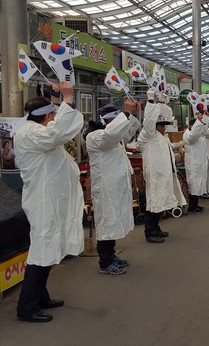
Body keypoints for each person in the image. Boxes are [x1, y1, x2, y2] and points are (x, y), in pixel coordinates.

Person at [14, 81, 83, 323]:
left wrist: (58, 98)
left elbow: (55, 132)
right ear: (48, 115)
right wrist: (67, 98)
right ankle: (27, 307)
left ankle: (40, 296)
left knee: (47, 247)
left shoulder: (36, 131)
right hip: (42, 200)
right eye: (53, 113)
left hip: (48, 198)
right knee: (42, 248)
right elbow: (57, 133)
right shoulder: (32, 133)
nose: (55, 117)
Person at [85, 100, 141, 275]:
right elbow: (111, 135)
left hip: (115, 187)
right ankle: (105, 262)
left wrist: (131, 115)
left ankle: (111, 255)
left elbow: (129, 131)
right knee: (107, 222)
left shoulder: (112, 137)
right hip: (106, 189)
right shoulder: (95, 137)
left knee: (114, 220)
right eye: (115, 121)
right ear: (107, 122)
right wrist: (125, 114)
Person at [137, 92, 186, 243]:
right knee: (153, 203)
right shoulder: (147, 135)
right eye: (161, 126)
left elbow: (171, 146)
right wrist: (151, 102)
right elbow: (148, 122)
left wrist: (162, 103)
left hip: (164, 174)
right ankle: (149, 232)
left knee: (161, 202)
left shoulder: (161, 137)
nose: (164, 129)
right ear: (154, 126)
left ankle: (156, 229)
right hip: (155, 175)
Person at [184, 112, 209, 213]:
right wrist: (198, 122)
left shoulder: (198, 135)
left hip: (199, 163)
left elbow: (204, 129)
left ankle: (196, 204)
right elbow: (193, 136)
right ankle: (192, 206)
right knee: (194, 185)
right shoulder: (188, 134)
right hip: (194, 165)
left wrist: (205, 118)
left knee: (198, 185)